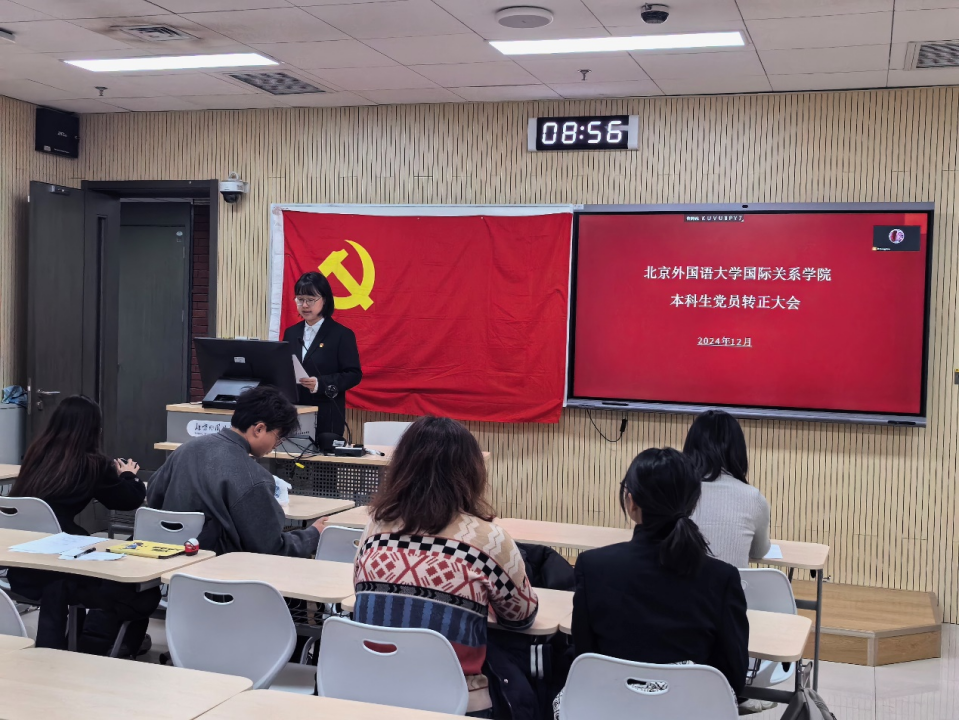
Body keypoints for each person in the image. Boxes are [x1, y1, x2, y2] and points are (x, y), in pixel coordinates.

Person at [353, 416, 539, 718]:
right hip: (456, 703)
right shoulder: (489, 538)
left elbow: (361, 590)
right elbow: (521, 617)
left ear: (401, 466)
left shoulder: (375, 528)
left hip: (369, 696)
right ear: (471, 471)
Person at [565, 448, 748, 712]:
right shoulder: (722, 579)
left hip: (611, 712)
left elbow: (585, 660)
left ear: (631, 502)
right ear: (691, 503)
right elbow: (733, 680)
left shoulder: (592, 567)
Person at [7, 396, 158, 655]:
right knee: (136, 583)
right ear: (94, 430)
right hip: (67, 570)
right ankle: (112, 643)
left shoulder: (36, 454)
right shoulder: (93, 463)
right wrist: (128, 475)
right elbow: (128, 500)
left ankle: (85, 640)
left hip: (24, 568)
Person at [147, 385, 323, 557]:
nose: (276, 446)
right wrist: (313, 534)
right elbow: (271, 549)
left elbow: (154, 495)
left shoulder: (185, 449)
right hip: (219, 567)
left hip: (166, 558)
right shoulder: (254, 477)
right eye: (278, 438)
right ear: (259, 429)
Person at [684, 410, 771, 568]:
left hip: (678, 583)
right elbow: (758, 551)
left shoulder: (676, 491)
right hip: (732, 584)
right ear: (738, 450)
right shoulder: (753, 497)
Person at [282, 271, 362, 438]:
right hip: (293, 412)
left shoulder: (341, 334)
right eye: (300, 299)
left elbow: (353, 374)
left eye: (310, 300)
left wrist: (320, 383)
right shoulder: (291, 333)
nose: (305, 305)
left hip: (326, 415)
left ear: (324, 300)